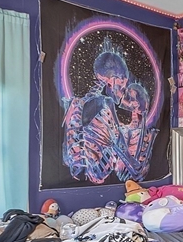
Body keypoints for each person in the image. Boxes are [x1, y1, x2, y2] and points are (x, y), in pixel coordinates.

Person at [62, 40, 156, 184]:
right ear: (114, 79)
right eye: (123, 84)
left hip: (85, 169)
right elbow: (121, 151)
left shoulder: (76, 105)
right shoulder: (104, 104)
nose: (122, 93)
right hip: (93, 169)